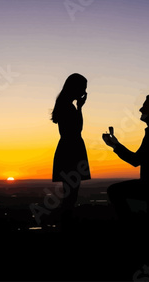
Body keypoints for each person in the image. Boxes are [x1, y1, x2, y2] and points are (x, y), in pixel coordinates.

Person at [103, 95, 149, 221]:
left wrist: (115, 145)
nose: (140, 110)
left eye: (145, 107)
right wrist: (116, 145)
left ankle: (130, 225)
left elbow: (136, 160)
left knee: (114, 191)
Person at [51, 73, 91, 214]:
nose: (84, 92)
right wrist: (80, 108)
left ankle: (67, 221)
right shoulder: (67, 107)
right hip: (71, 150)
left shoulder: (64, 104)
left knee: (70, 192)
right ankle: (68, 223)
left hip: (68, 148)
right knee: (71, 194)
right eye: (83, 88)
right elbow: (77, 129)